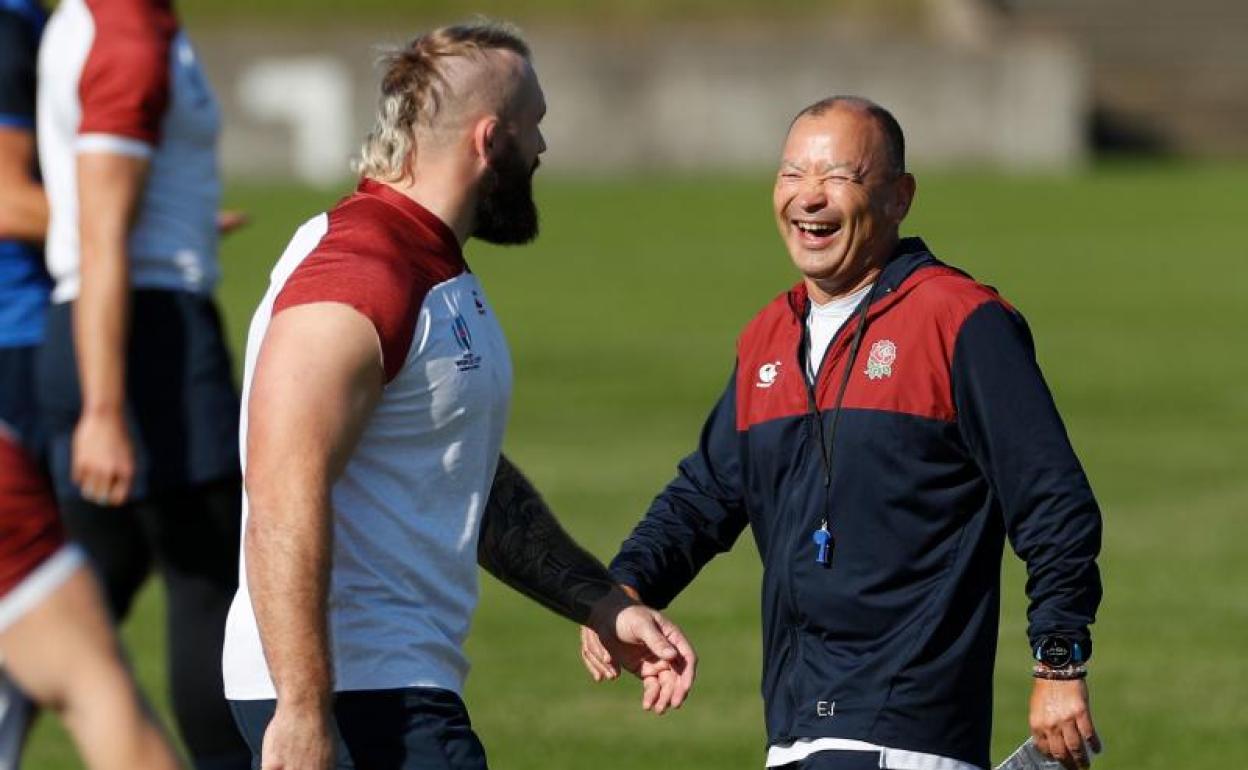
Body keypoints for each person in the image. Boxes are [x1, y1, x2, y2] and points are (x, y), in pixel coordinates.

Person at [221, 21, 696, 770]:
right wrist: (304, 711)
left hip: (389, 689)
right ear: (488, 140)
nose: (541, 149)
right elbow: (280, 499)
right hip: (357, 697)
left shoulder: (424, 264)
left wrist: (603, 604)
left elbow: (456, 472)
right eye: (533, 126)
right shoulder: (358, 275)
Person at [581, 97, 1103, 770]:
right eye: (792, 173)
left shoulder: (961, 322)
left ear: (899, 196)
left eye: (839, 177)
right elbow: (705, 494)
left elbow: (1052, 499)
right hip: (796, 724)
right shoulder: (770, 335)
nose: (808, 198)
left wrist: (1057, 660)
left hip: (901, 732)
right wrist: (624, 589)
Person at [35, 0, 251, 766]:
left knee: (79, 580)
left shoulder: (141, 21)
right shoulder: (122, 32)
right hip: (143, 338)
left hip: (139, 325)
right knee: (213, 584)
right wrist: (103, 405)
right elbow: (100, 229)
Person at [0, 3, 182, 767]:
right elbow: (5, 196)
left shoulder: (44, 21)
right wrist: (125, 226)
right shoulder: (11, 26)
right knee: (80, 649)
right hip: (18, 344)